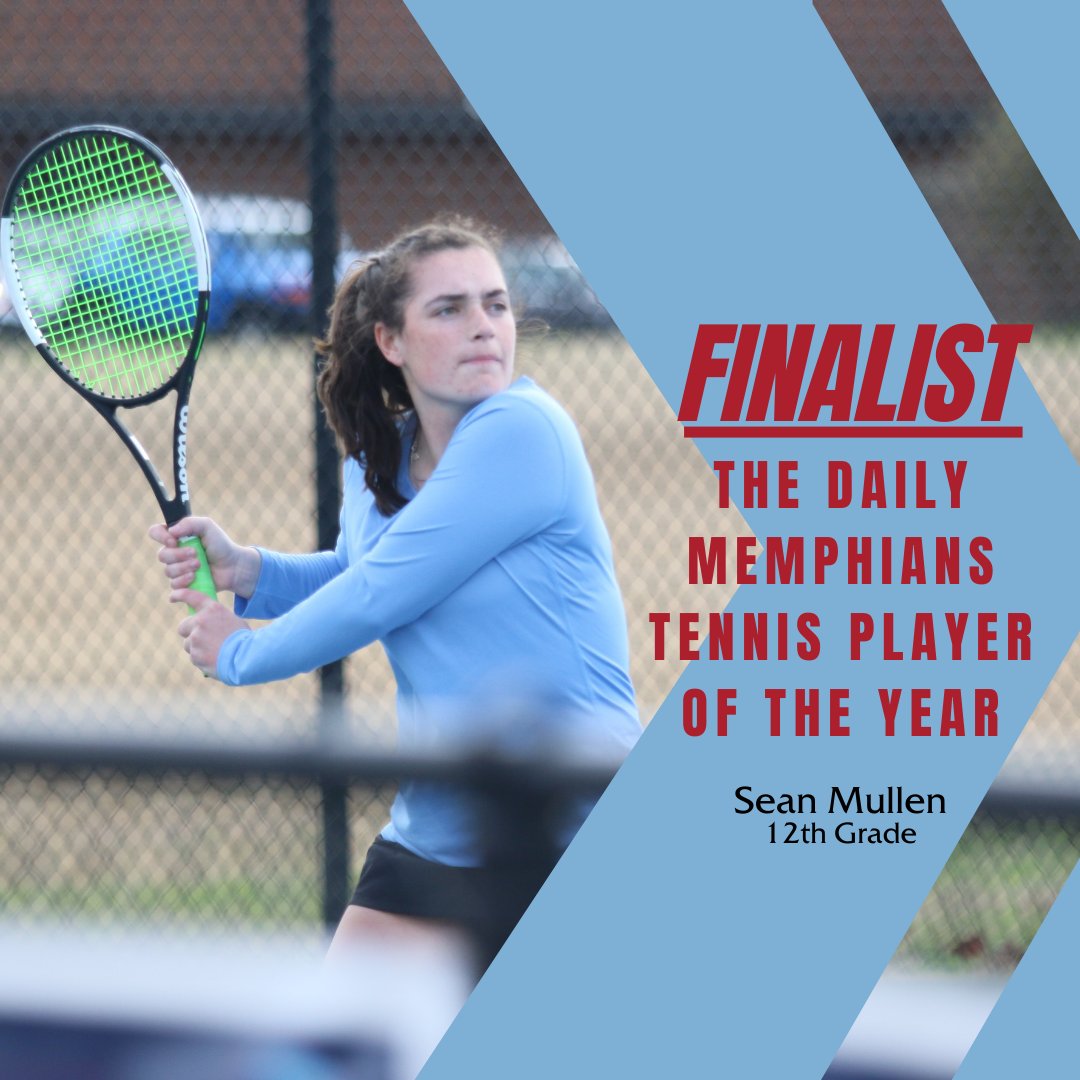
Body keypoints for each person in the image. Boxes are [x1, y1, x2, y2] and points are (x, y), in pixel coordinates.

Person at [149, 217, 641, 970]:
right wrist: (249, 572)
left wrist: (242, 655)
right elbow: (361, 572)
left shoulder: (525, 433)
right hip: (437, 824)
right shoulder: (384, 458)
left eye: (496, 304)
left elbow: (382, 593)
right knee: (338, 1046)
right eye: (449, 310)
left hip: (571, 822)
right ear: (391, 341)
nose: (484, 328)